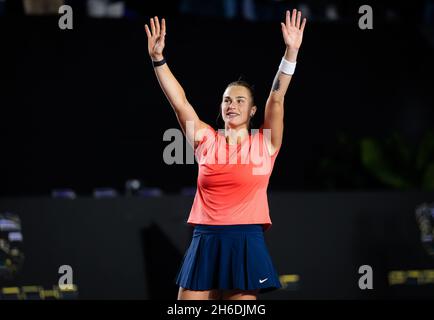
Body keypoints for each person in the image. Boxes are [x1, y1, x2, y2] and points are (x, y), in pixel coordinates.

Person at [144, 9, 306, 300]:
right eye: (226, 100)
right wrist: (158, 59)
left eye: (240, 100)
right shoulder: (205, 139)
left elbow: (277, 96)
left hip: (245, 241)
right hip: (205, 239)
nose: (232, 104)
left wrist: (291, 52)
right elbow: (180, 103)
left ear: (253, 111)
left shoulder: (265, 143)